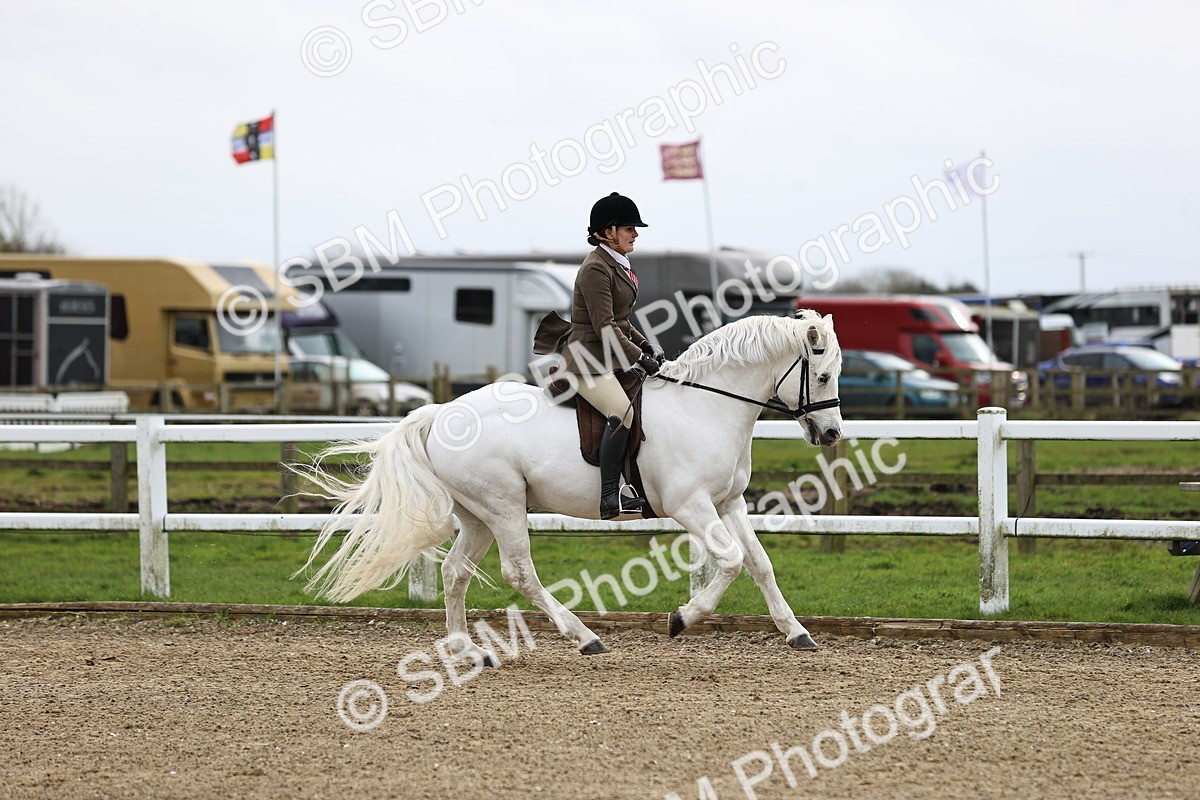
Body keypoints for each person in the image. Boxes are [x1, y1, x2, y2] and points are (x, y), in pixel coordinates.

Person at [561, 192, 664, 519]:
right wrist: (637, 357)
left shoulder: (617, 264)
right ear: (608, 232)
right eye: (629, 227)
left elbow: (621, 320)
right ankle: (609, 495)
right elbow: (604, 325)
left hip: (608, 354)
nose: (635, 233)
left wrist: (645, 344)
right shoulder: (595, 269)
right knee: (623, 412)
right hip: (587, 359)